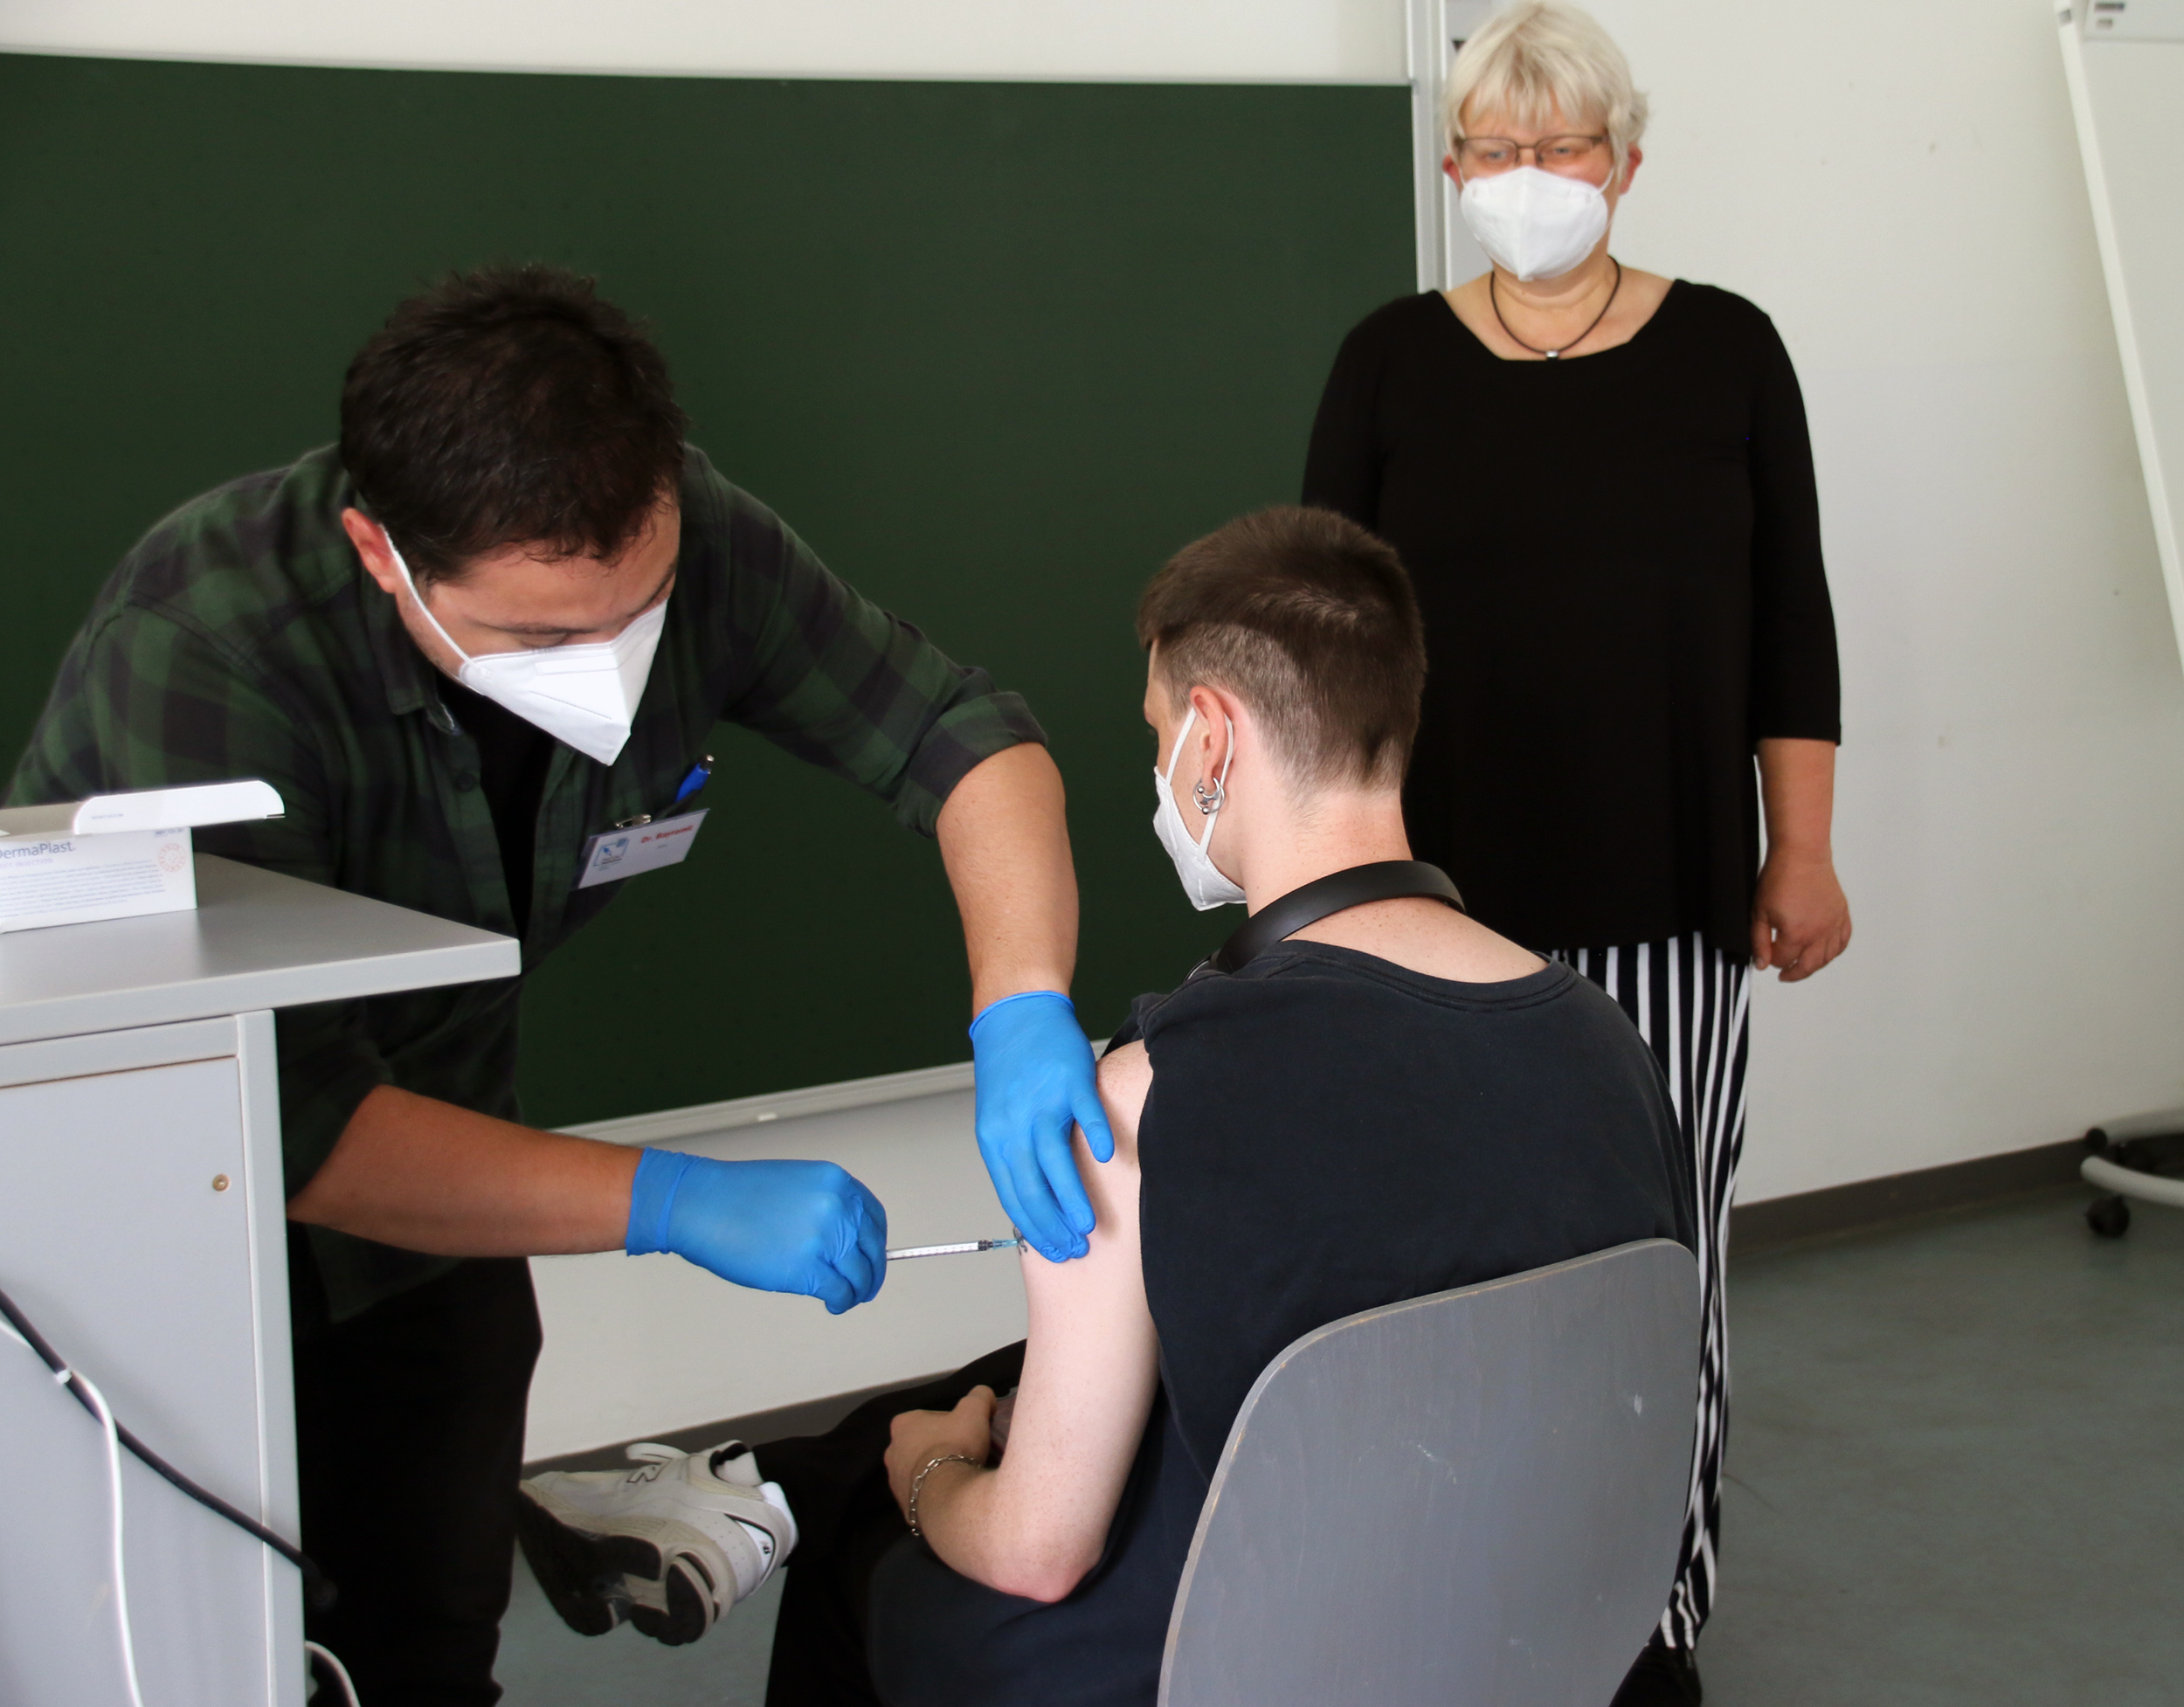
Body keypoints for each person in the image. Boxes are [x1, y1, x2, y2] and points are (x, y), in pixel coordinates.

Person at [5, 265, 1116, 1707]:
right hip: (151, 1237)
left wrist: (1020, 1003)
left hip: (442, 1220)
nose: (605, 663)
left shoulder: (697, 536)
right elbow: (290, 1118)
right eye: (541, 638)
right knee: (173, 1644)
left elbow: (961, 736)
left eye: (638, 612)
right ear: (378, 549)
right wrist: (672, 1201)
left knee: (424, 1632)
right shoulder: (208, 647)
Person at [515, 504, 1693, 1705]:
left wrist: (928, 1478)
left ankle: (786, 1502)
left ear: (1213, 739)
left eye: (1155, 733)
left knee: (886, 1556)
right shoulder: (1607, 1038)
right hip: (1561, 1633)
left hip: (1261, 1650)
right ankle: (762, 1488)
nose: (1156, 773)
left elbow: (1038, 1548)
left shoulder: (1154, 1090)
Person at [1299, 4, 1849, 1697]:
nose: (1523, 182)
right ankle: (1454, 1594)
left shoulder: (1729, 353)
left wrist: (1801, 846)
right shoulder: (1386, 357)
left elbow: (1789, 627)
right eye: (1491, 152)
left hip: (1662, 904)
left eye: (1560, 149)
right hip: (1421, 913)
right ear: (1450, 166)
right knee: (1431, 1262)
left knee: (1653, 1257)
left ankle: (1646, 1612)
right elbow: (1314, 636)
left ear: (1623, 158)